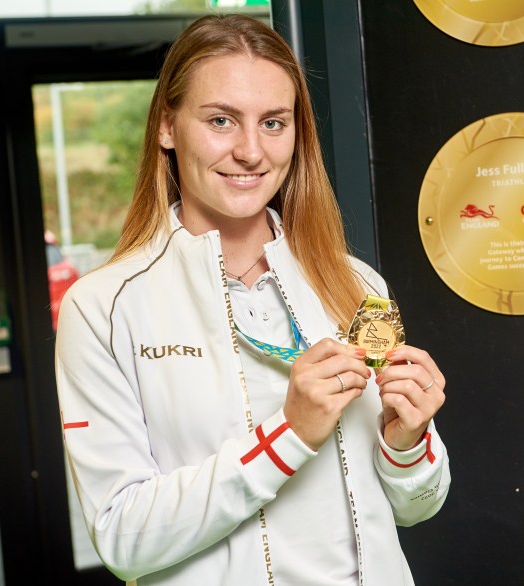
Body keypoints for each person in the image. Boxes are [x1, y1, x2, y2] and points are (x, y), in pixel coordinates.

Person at [55, 13, 450, 586]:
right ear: (168, 126)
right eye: (220, 120)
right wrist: (289, 433)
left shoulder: (357, 285)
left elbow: (418, 508)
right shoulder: (101, 308)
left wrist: (406, 441)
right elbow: (122, 537)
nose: (250, 151)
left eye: (273, 122)